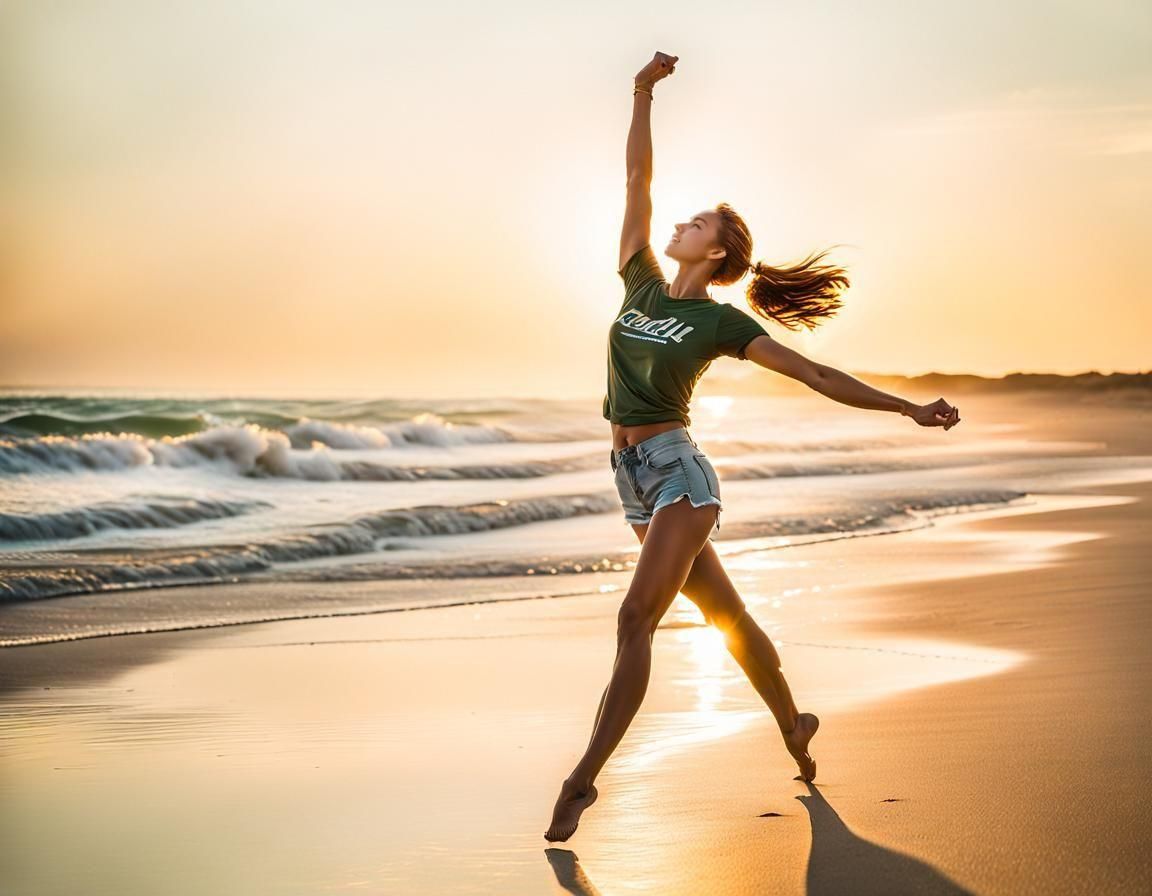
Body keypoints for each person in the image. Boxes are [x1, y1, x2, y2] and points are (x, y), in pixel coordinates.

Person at [544, 51, 961, 844]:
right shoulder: (637, 281)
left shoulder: (723, 324)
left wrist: (906, 407)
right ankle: (794, 723)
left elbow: (812, 370)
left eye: (696, 223)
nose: (680, 223)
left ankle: (582, 780)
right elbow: (637, 182)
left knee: (637, 619)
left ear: (716, 255)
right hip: (630, 476)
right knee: (725, 613)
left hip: (680, 477)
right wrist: (641, 93)